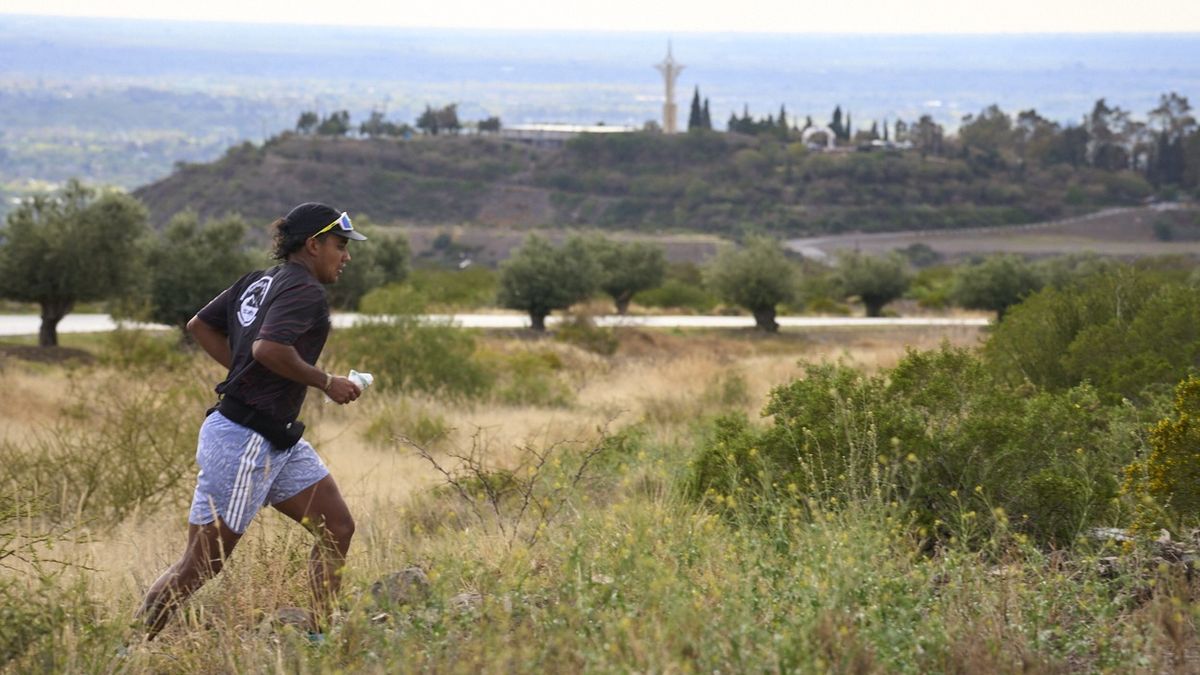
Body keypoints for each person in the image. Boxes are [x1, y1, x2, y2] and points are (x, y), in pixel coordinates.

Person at [137, 202, 367, 639]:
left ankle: (318, 642)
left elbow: (199, 325)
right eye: (341, 245)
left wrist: (244, 370)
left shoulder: (258, 281)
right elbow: (267, 350)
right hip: (246, 441)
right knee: (202, 564)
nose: (347, 256)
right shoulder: (304, 291)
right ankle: (127, 651)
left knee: (337, 527)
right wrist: (325, 382)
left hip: (276, 438)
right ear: (314, 244)